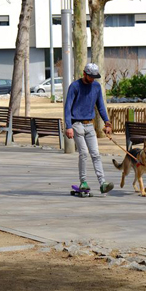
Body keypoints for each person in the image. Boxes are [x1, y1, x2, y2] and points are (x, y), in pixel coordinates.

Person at [64, 63, 114, 194]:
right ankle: (83, 182)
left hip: (89, 124)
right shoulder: (75, 86)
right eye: (90, 76)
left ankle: (103, 183)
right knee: (84, 153)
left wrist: (107, 122)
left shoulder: (96, 87)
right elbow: (67, 108)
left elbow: (101, 106)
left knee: (96, 154)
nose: (92, 79)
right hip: (76, 124)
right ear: (84, 74)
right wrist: (68, 126)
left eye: (94, 77)